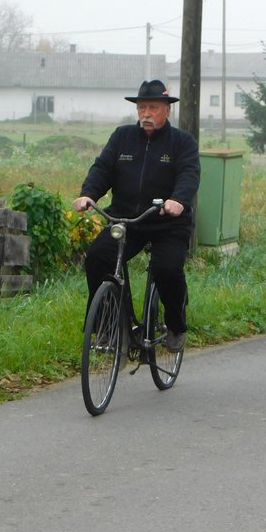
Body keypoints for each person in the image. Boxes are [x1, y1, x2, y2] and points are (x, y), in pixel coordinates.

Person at [72, 80, 200, 352]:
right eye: (142, 107)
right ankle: (111, 326)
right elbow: (102, 169)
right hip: (127, 221)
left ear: (167, 110)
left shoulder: (182, 142)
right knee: (98, 257)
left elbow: (189, 175)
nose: (146, 113)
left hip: (168, 223)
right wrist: (88, 194)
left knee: (166, 269)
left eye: (153, 107)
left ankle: (176, 323)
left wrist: (178, 200)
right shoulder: (122, 137)